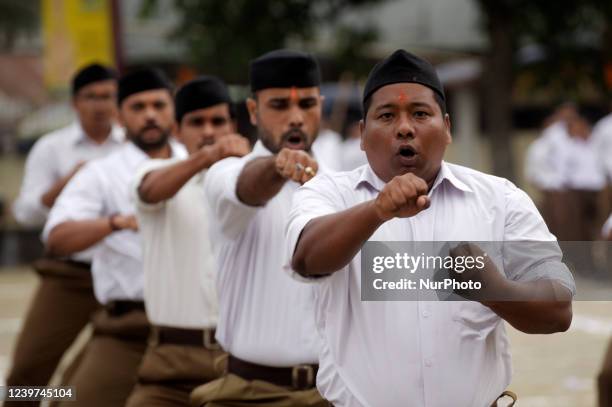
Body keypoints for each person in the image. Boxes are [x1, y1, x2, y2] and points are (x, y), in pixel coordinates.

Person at [286, 50, 575, 407]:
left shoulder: (500, 200)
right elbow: (306, 257)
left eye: (420, 113)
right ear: (362, 134)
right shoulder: (329, 193)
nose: (405, 127)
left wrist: (492, 288)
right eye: (387, 115)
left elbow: (558, 310)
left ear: (448, 128)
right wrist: (378, 210)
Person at [191, 50, 328, 407]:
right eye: (280, 105)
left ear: (322, 106)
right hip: (252, 393)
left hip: (336, 392)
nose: (296, 117)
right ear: (253, 112)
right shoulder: (226, 174)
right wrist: (277, 168)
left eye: (307, 104)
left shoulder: (341, 185)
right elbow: (246, 187)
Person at [42, 68, 183, 407]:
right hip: (121, 319)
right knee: (39, 382)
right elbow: (55, 235)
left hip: (191, 331)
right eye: (137, 107)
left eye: (158, 105)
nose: (150, 115)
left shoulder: (197, 164)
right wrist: (115, 223)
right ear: (120, 116)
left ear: (173, 110)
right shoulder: (100, 172)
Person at [126, 76, 250, 406]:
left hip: (240, 366)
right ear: (177, 130)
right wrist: (207, 157)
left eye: (218, 121)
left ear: (234, 125)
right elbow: (149, 190)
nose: (208, 132)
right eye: (197, 122)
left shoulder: (257, 184)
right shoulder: (156, 171)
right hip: (171, 365)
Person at [6, 63, 123, 402]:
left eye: (109, 96)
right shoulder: (52, 147)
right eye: (92, 97)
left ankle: (66, 400)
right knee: (28, 367)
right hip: (70, 273)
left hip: (122, 275)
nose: (101, 105)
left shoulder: (133, 145)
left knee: (100, 374)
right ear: (75, 102)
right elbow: (26, 211)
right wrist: (67, 182)